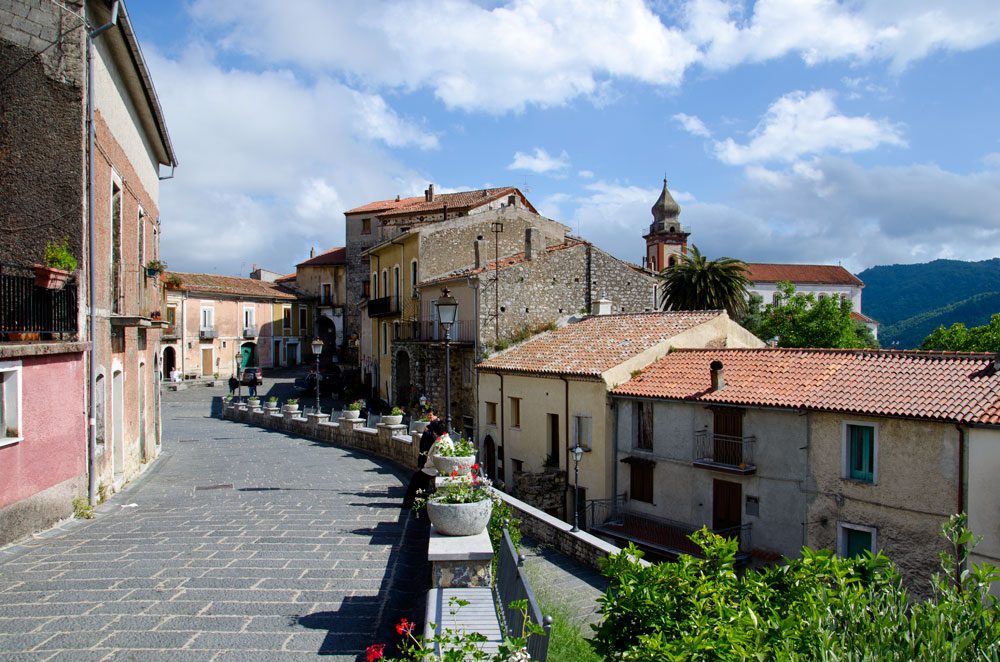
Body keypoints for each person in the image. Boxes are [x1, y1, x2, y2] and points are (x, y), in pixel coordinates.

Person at [402, 416, 444, 510]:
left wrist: (424, 466)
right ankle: (420, 499)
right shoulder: (443, 439)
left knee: (416, 478)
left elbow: (433, 459)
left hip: (434, 469)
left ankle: (409, 503)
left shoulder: (440, 442)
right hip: (436, 467)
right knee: (420, 479)